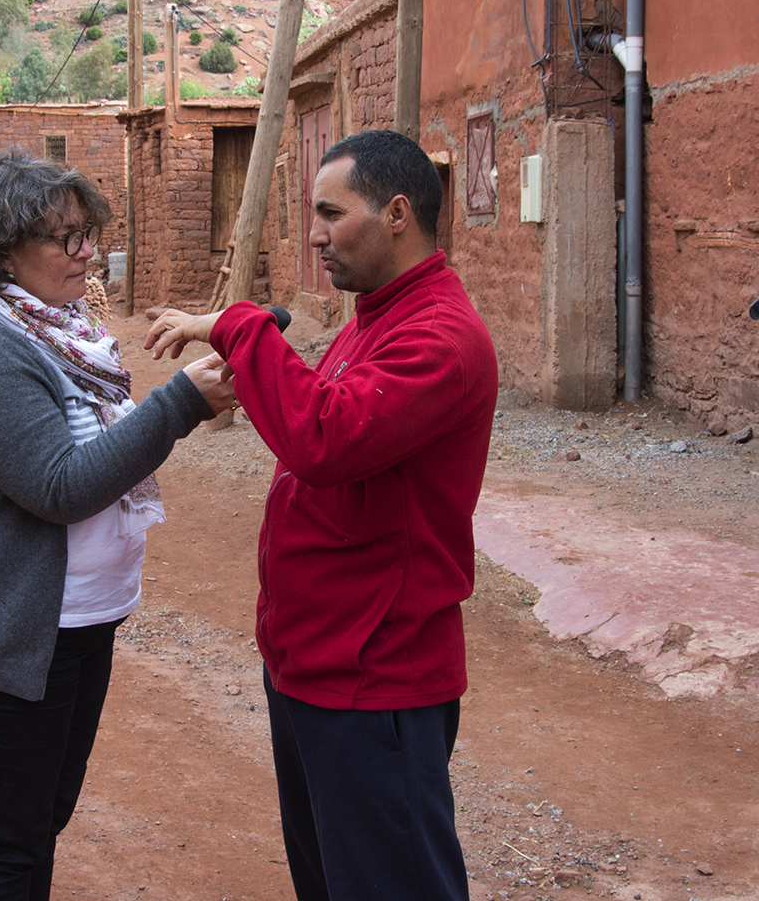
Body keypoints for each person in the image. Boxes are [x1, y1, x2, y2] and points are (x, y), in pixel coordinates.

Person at [146, 129, 499, 901]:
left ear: (397, 213)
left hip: (377, 676)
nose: (315, 234)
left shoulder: (439, 336)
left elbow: (324, 439)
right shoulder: (378, 317)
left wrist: (241, 325)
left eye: (331, 213)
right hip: (318, 664)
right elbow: (322, 410)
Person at [0, 148, 236, 900]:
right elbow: (58, 486)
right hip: (5, 632)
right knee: (7, 837)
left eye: (88, 232)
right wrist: (179, 404)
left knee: (37, 819)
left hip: (74, 622)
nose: (89, 252)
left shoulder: (60, 328)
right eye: (66, 238)